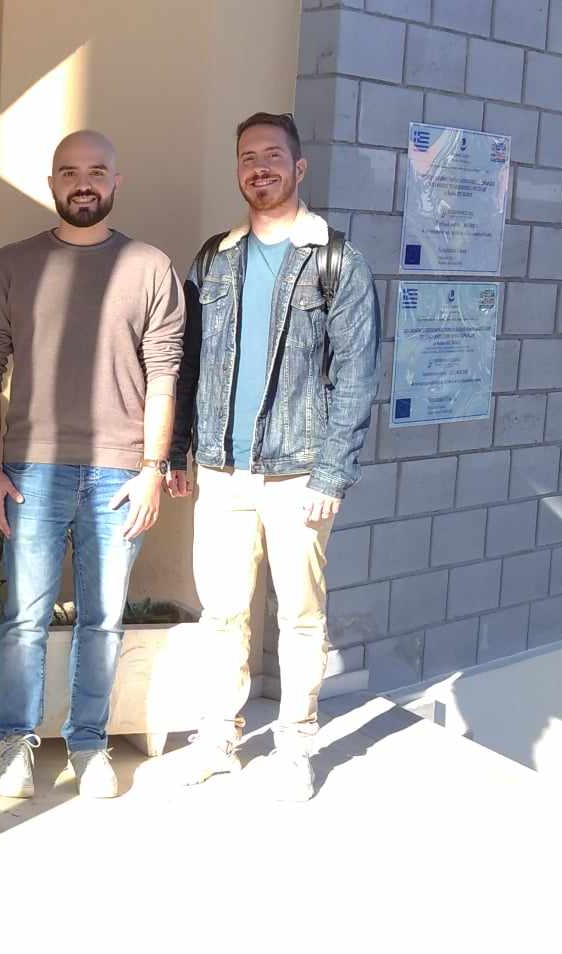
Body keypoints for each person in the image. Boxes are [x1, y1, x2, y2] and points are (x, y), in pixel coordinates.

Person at [166, 112, 378, 799]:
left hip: (299, 473)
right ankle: (217, 739)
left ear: (299, 167)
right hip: (221, 468)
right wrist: (177, 451)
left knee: (300, 617)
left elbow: (357, 376)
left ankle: (294, 745)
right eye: (248, 157)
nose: (259, 167)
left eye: (272, 156)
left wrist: (332, 473)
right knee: (222, 613)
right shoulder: (214, 258)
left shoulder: (336, 260)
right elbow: (189, 362)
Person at [0, 130, 185, 800]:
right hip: (32, 468)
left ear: (116, 182)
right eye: (69, 172)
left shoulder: (150, 267)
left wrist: (153, 467)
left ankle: (88, 744)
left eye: (96, 171)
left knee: (103, 619)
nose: (82, 183)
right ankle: (13, 740)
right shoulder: (12, 265)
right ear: (52, 183)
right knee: (24, 617)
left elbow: (164, 375)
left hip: (120, 473)